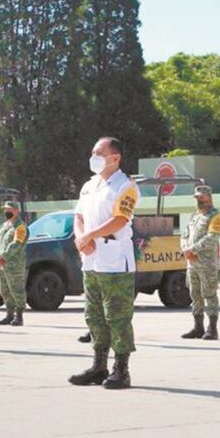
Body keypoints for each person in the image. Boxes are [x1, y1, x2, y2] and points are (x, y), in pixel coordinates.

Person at [68, 137, 141, 390]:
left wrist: (90, 236)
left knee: (117, 316)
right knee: (94, 315)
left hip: (115, 260)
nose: (94, 157)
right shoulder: (89, 185)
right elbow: (78, 216)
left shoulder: (126, 185)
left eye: (99, 153)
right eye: (93, 153)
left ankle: (121, 370)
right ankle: (98, 366)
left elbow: (120, 219)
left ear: (115, 157)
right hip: (91, 259)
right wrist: (81, 238)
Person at [179, 185, 220, 340]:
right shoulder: (195, 216)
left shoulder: (215, 216)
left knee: (209, 294)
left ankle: (212, 329)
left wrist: (192, 250)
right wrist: (185, 249)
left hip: (207, 264)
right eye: (197, 197)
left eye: (202, 197)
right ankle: (198, 328)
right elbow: (184, 235)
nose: (199, 200)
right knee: (195, 295)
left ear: (209, 197)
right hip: (192, 263)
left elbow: (212, 238)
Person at [0, 200, 28, 327]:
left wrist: (3, 255)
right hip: (2, 265)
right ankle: (9, 315)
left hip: (14, 265)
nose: (6, 211)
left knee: (17, 290)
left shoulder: (20, 226)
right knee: (5, 290)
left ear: (16, 211)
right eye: (5, 209)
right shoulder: (4, 226)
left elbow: (16, 244)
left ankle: (19, 316)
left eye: (9, 209)